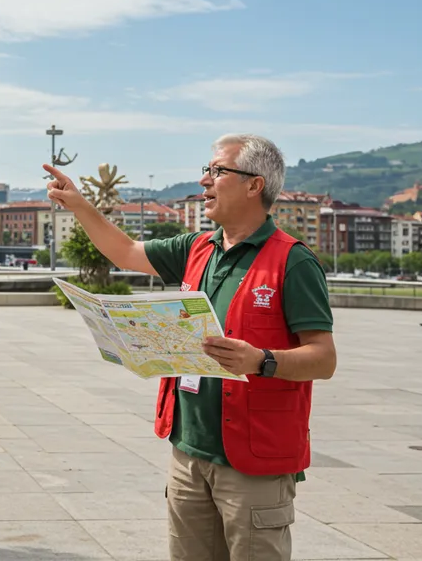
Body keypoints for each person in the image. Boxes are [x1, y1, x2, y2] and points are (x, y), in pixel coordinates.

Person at [45, 134, 337, 561]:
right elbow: (125, 252)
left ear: (255, 185)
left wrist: (261, 360)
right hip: (188, 450)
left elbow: (324, 358)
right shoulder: (198, 248)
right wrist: (80, 205)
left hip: (253, 462)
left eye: (217, 171)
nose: (204, 180)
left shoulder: (292, 261)